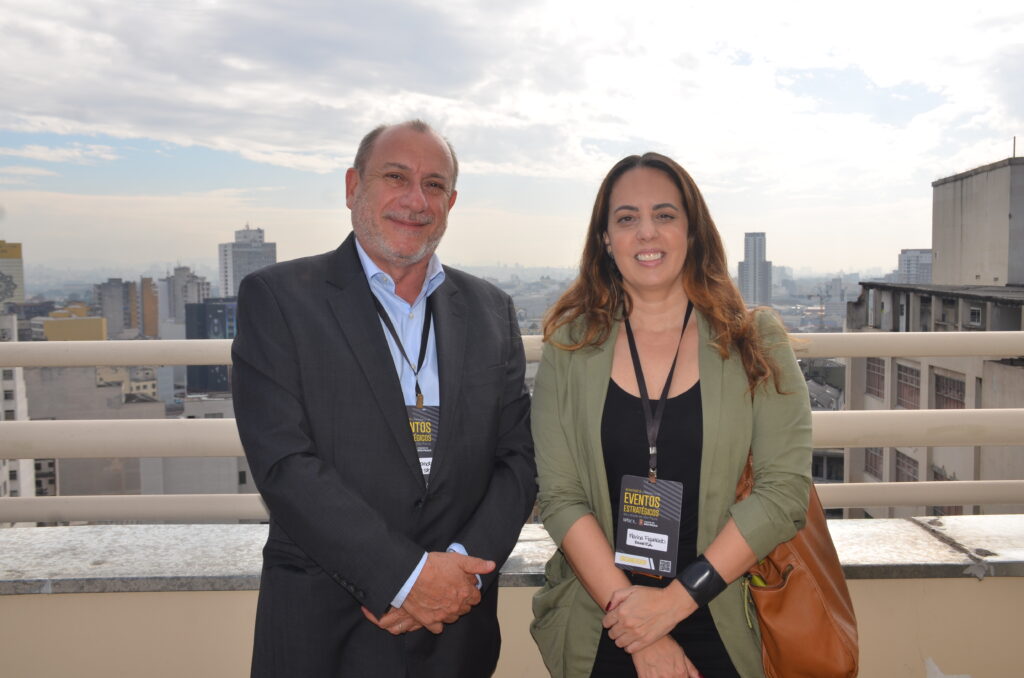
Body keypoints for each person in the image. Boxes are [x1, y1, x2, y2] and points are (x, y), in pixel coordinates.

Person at [232, 120, 537, 678]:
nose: (416, 200)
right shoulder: (278, 299)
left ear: (451, 201)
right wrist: (404, 577)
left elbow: (518, 459)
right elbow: (283, 463)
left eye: (435, 184)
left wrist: (458, 576)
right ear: (353, 188)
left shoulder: (492, 310)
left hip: (456, 631)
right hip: (327, 630)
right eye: (396, 177)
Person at [530, 152, 811, 678]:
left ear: (693, 231)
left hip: (721, 608)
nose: (646, 233)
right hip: (602, 615)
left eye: (664, 215)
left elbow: (783, 493)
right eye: (627, 219)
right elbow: (560, 497)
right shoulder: (569, 347)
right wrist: (637, 628)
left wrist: (673, 604)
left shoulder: (755, 342)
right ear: (605, 241)